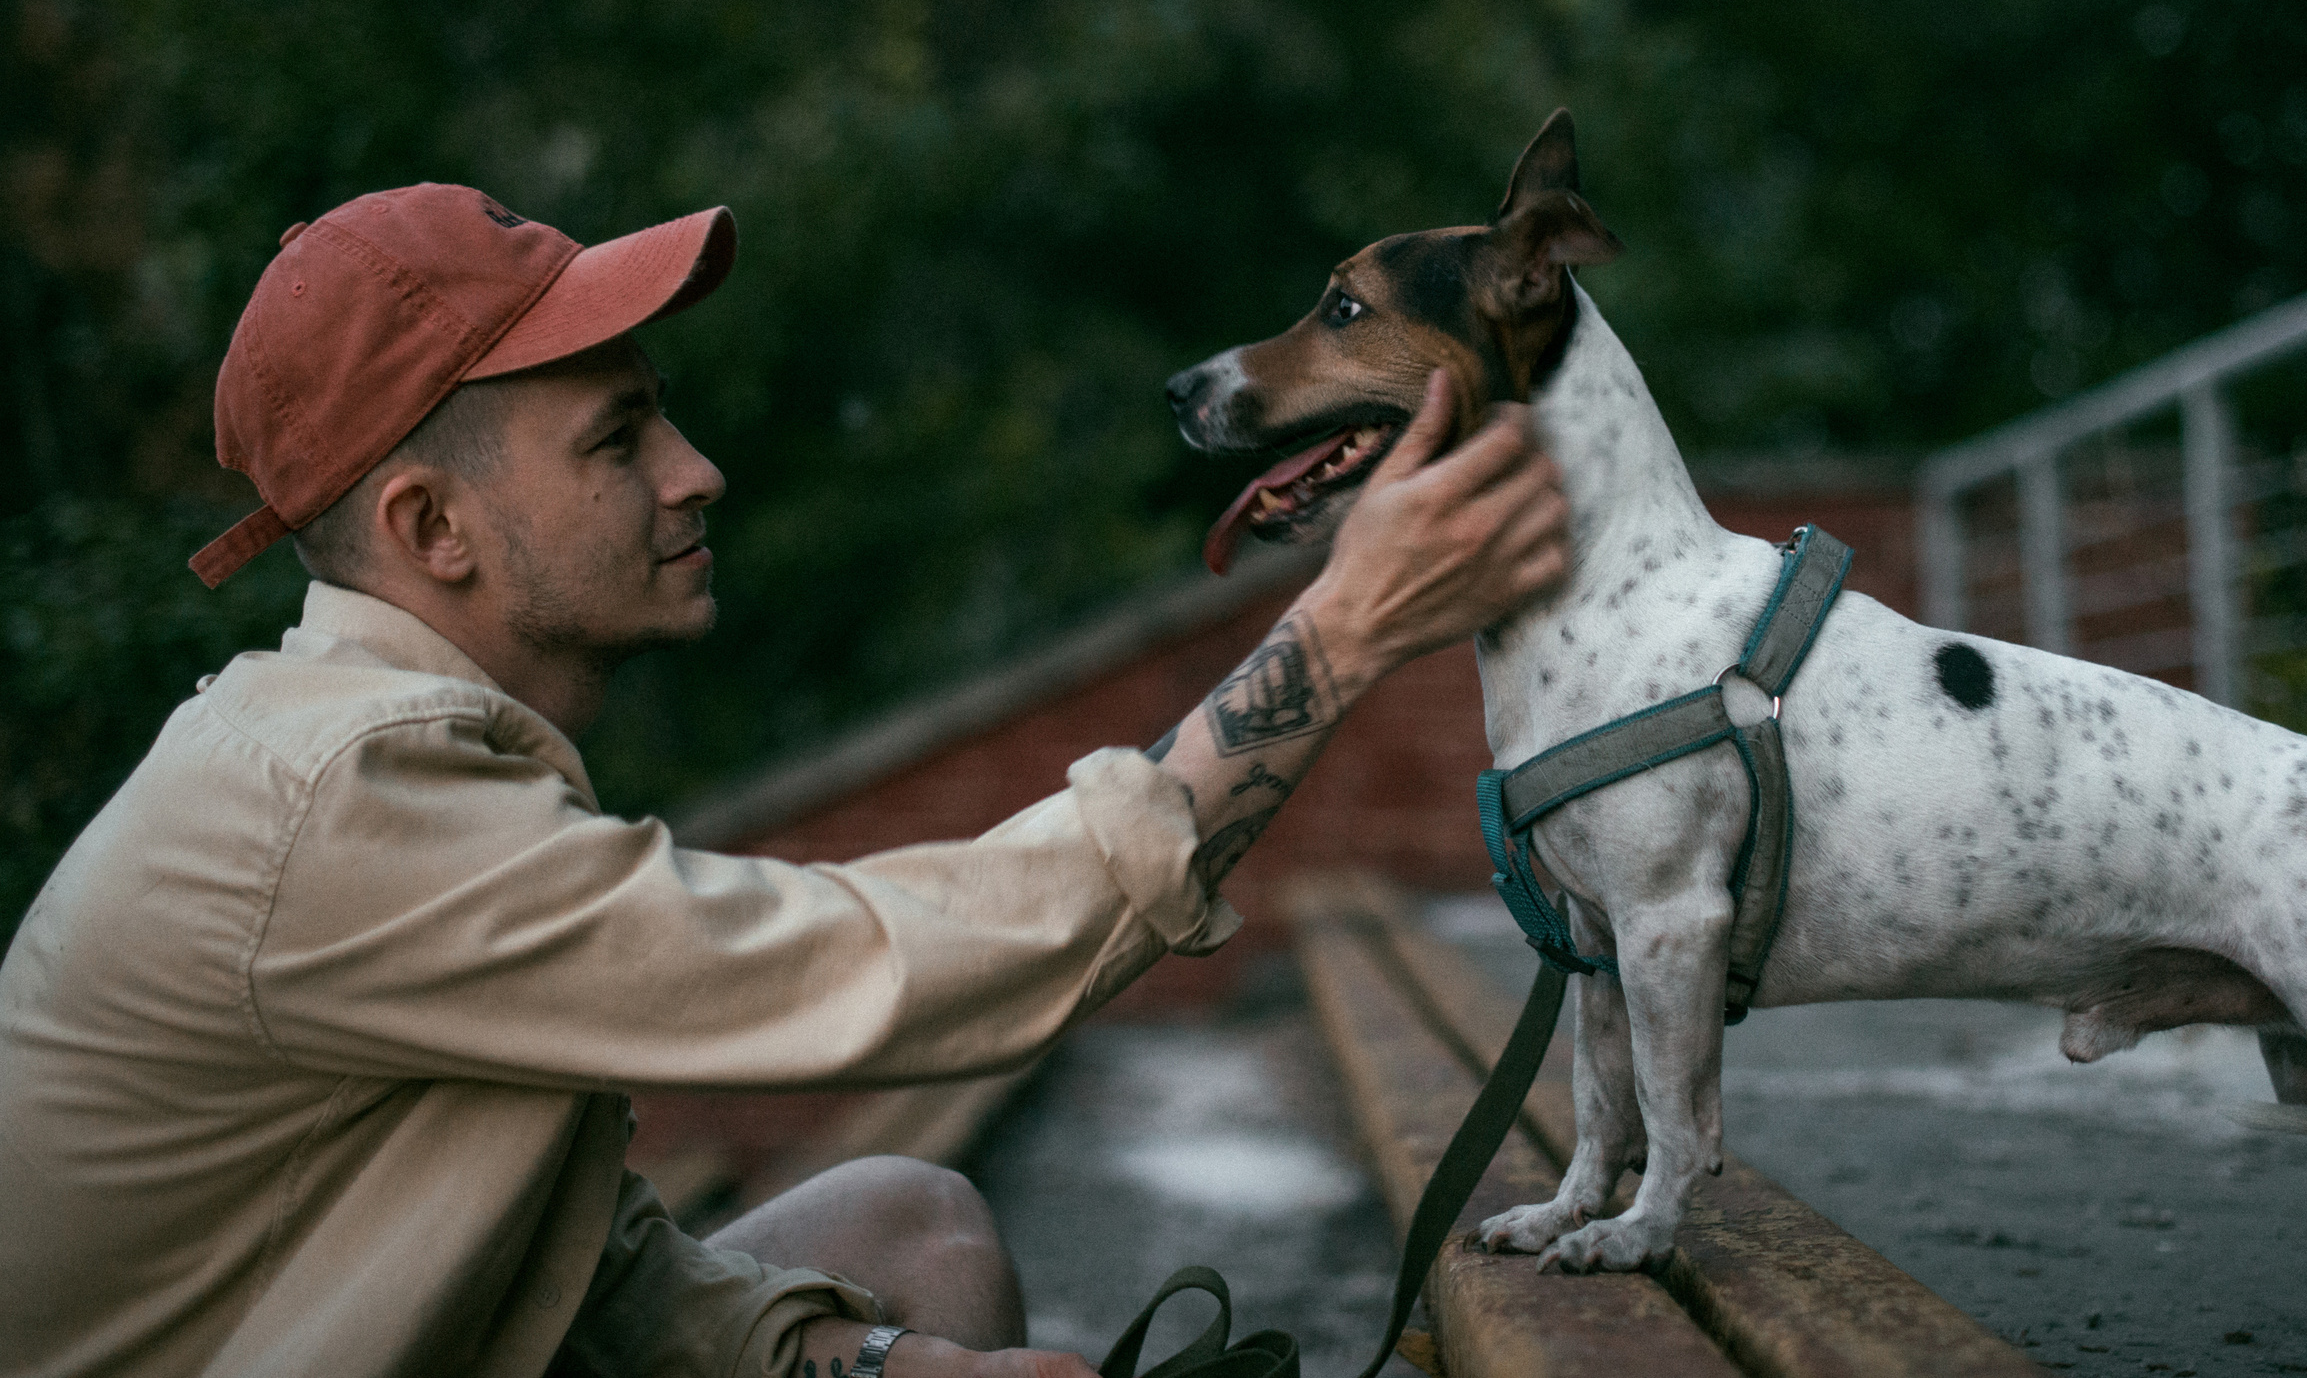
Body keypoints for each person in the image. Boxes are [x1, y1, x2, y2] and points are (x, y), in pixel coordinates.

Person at [0, 185, 1572, 1378]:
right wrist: (1346, 625)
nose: (697, 468)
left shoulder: (404, 762)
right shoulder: (333, 802)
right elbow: (879, 965)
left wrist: (870, 1363)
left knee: (907, 1221)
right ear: (431, 532)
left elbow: (546, 1262)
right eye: (620, 439)